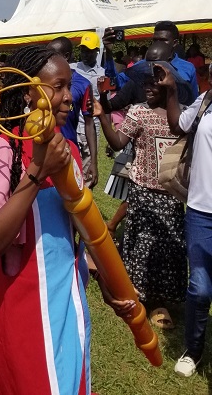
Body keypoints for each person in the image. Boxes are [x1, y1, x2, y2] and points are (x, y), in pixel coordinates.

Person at [0, 45, 134, 394]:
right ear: (29, 92)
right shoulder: (0, 152)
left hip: (66, 302)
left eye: (68, 86)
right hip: (19, 309)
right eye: (58, 86)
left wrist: (105, 281)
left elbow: (77, 233)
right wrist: (36, 173)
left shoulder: (66, 149)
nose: (68, 98)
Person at [95, 57, 186, 330]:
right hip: (143, 192)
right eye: (145, 82)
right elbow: (117, 141)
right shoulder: (138, 112)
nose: (147, 87)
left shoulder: (181, 116)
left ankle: (162, 302)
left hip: (171, 194)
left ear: (168, 85)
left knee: (169, 248)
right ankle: (139, 297)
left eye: (154, 83)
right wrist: (102, 115)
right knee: (141, 248)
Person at [160, 66, 212, 378]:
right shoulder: (205, 101)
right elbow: (178, 124)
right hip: (200, 212)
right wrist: (171, 91)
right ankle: (193, 350)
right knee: (201, 288)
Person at [48, 36, 99, 188]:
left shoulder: (83, 84)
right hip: (44, 150)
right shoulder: (41, 80)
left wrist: (94, 163)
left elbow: (89, 124)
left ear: (66, 56)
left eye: (52, 54)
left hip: (68, 150)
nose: (47, 58)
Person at [71, 33, 105, 177]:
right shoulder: (72, 69)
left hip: (90, 125)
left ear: (97, 51)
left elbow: (104, 104)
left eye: (89, 50)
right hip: (73, 124)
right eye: (83, 50)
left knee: (87, 169)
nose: (85, 54)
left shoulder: (102, 73)